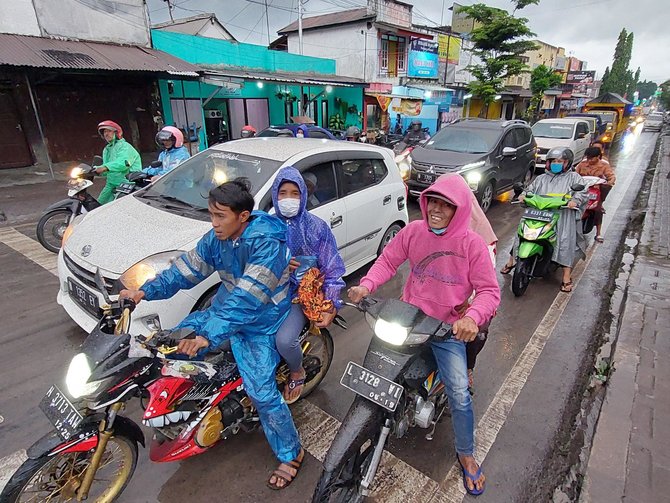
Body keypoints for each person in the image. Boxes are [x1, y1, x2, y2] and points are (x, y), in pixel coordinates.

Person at [119, 178, 304, 490]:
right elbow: (184, 270)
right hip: (224, 311)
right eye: (212, 215)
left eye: (221, 216)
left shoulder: (267, 244)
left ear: (242, 216)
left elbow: (249, 296)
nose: (214, 223)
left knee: (262, 393)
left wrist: (208, 335)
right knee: (173, 346)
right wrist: (142, 292)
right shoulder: (217, 239)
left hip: (261, 320)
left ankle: (291, 453)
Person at [348, 175, 500, 496]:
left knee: (459, 393)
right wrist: (366, 286)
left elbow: (489, 292)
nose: (437, 209)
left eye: (446, 205)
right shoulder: (414, 231)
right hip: (409, 320)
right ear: (425, 201)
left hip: (447, 329)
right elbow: (388, 261)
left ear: (458, 210)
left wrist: (471, 317)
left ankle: (467, 453)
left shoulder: (472, 245)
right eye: (434, 201)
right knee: (377, 373)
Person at [272, 167, 345, 403]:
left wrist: (331, 302)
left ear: (304, 195)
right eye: (283, 193)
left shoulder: (317, 227)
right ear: (274, 195)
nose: (289, 199)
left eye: (295, 193)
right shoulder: (266, 228)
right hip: (268, 295)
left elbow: (332, 268)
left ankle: (297, 371)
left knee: (284, 340)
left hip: (300, 297)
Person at [437, 173, 498, 392]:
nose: (440, 209)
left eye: (448, 204)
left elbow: (486, 286)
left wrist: (469, 306)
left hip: (465, 300)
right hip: (436, 295)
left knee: (475, 331)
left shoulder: (480, 241)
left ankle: (467, 368)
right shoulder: (430, 229)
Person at [501, 147, 588, 293]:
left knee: (565, 242)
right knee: (521, 235)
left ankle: (566, 277)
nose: (556, 163)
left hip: (561, 216)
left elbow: (582, 192)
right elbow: (529, 190)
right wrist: (523, 195)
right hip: (537, 214)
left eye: (560, 161)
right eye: (553, 161)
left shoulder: (574, 178)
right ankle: (511, 261)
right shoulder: (541, 179)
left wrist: (575, 201)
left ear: (567, 163)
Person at [95, 120, 142, 204]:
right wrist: (94, 171)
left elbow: (123, 163)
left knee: (118, 209)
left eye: (109, 131)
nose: (106, 134)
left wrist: (104, 168)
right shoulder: (106, 149)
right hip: (111, 184)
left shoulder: (125, 146)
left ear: (117, 133)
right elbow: (107, 170)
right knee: (97, 205)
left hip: (126, 184)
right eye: (105, 132)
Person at [576, 146, 616, 242]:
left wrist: (609, 182)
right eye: (588, 158)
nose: (589, 161)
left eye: (592, 158)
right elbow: (575, 174)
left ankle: (598, 233)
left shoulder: (604, 165)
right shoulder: (582, 164)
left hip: (596, 192)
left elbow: (611, 176)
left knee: (598, 210)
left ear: (598, 156)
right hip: (582, 191)